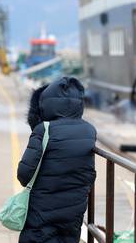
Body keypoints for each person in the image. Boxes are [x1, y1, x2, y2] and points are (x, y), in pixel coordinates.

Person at [17, 77, 97, 243]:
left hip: (42, 214)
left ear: (46, 104)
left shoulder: (43, 130)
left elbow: (24, 175)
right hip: (74, 212)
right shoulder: (89, 130)